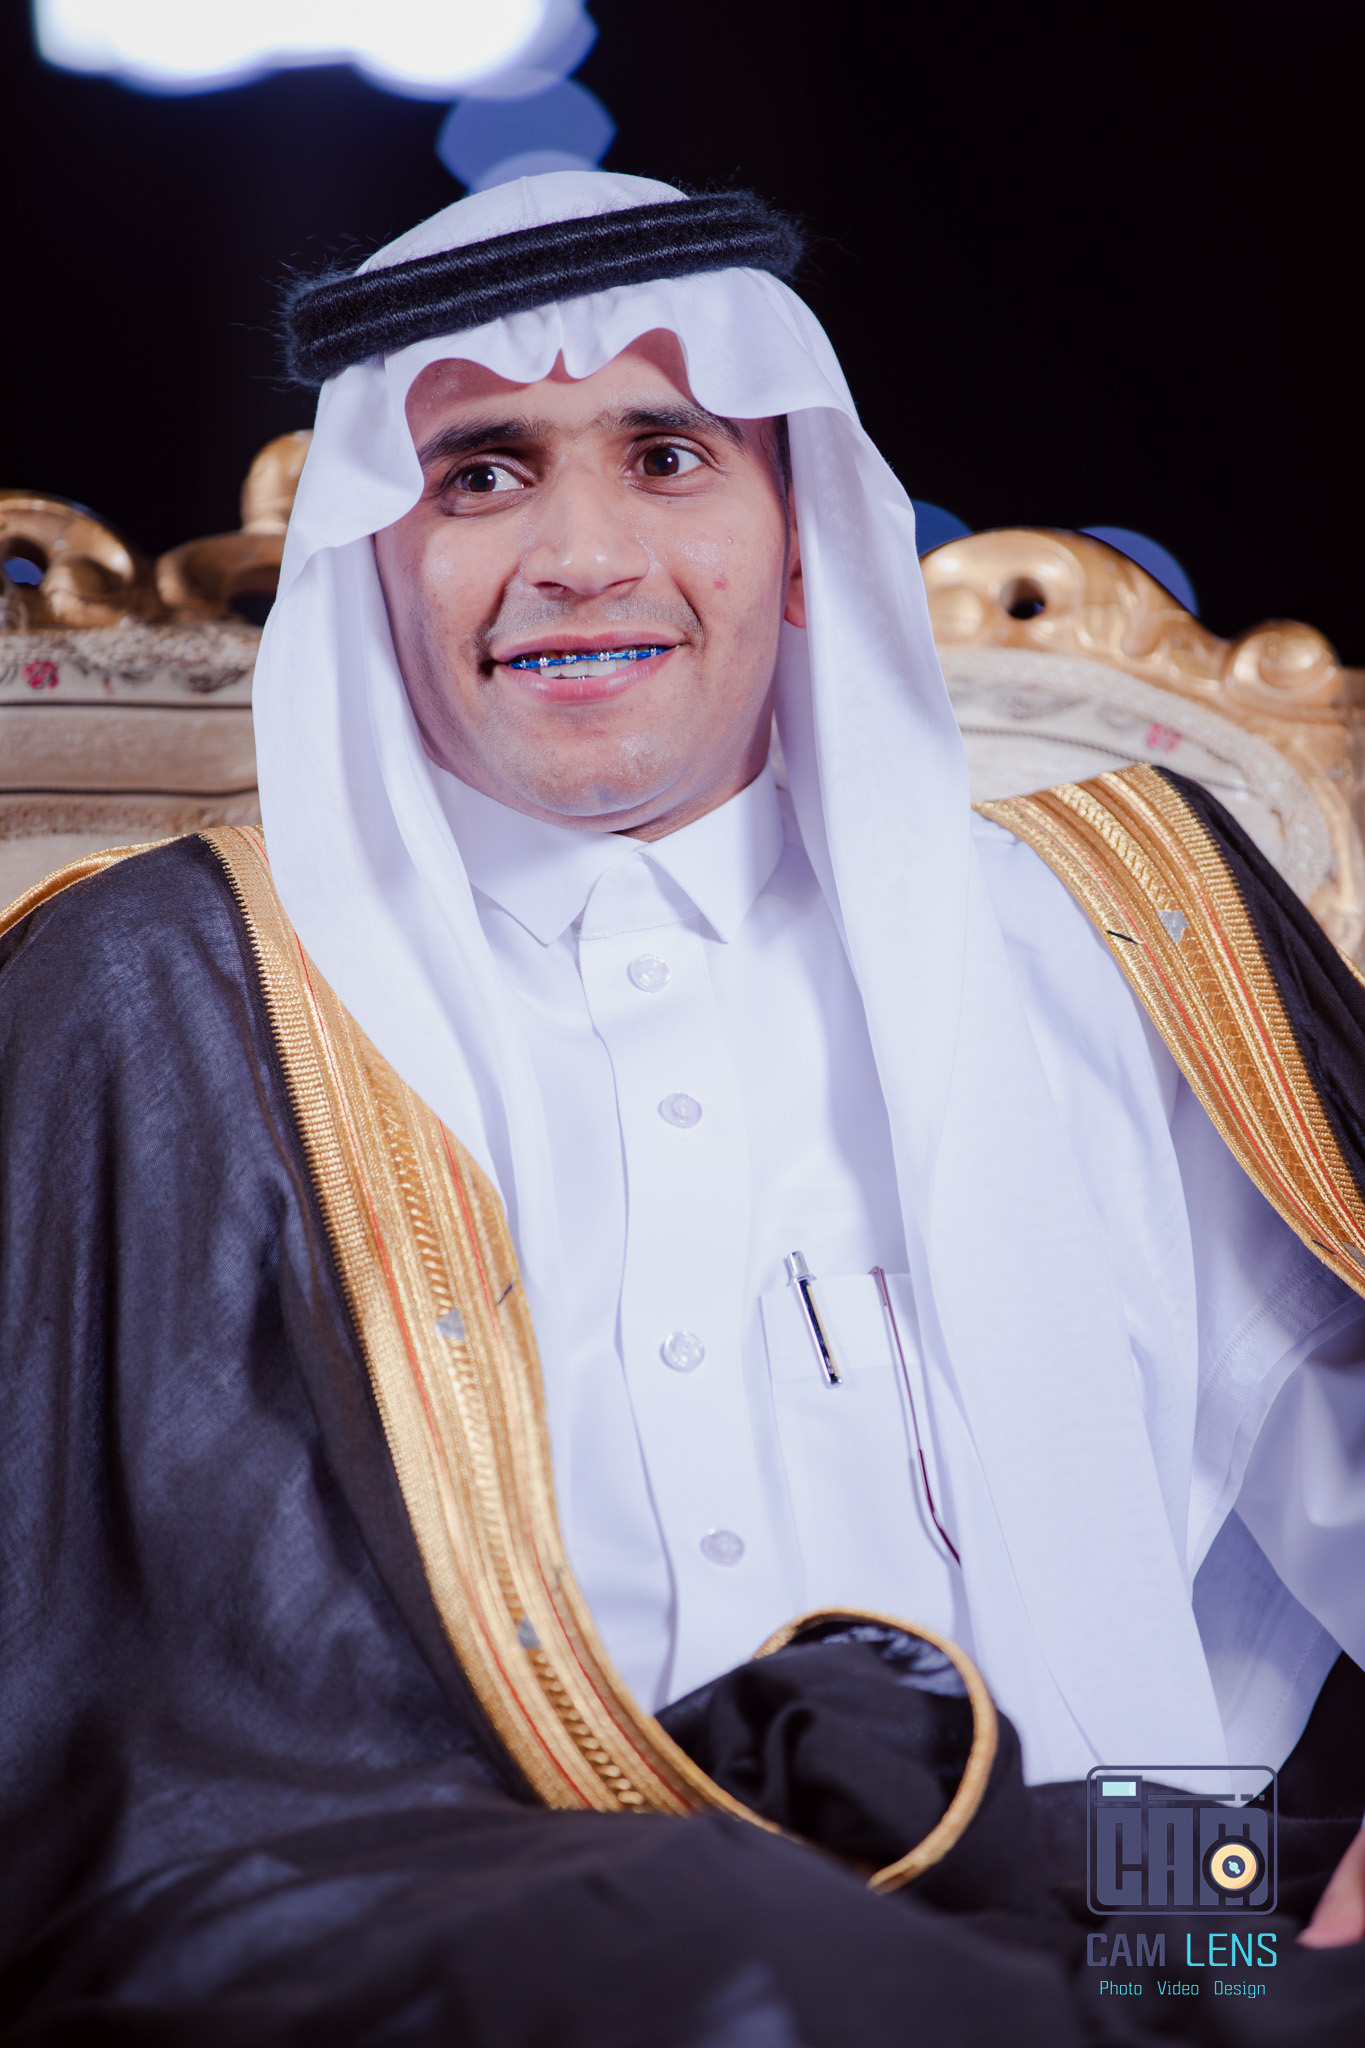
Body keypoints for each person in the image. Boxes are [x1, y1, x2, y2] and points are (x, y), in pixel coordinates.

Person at [1, 171, 1363, 2044]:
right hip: (446, 1903)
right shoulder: (163, 987)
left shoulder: (1110, 928)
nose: (579, 556)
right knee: (746, 1962)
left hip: (1103, 1882)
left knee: (1226, 1956)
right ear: (373, 558)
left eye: (664, 457)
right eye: (483, 475)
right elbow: (99, 1704)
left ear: (798, 537)